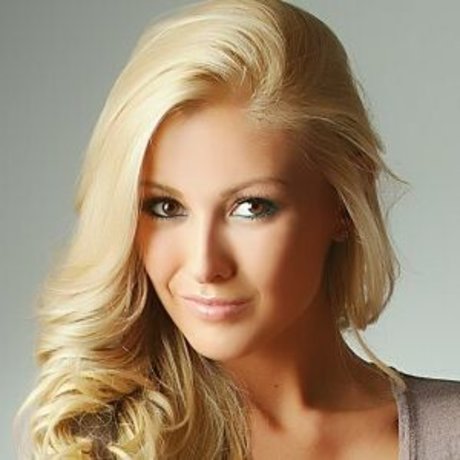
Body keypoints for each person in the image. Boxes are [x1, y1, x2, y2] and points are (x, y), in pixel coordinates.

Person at [14, 0, 460, 459]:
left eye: (251, 207)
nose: (205, 265)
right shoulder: (106, 445)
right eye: (166, 207)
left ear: (345, 203)